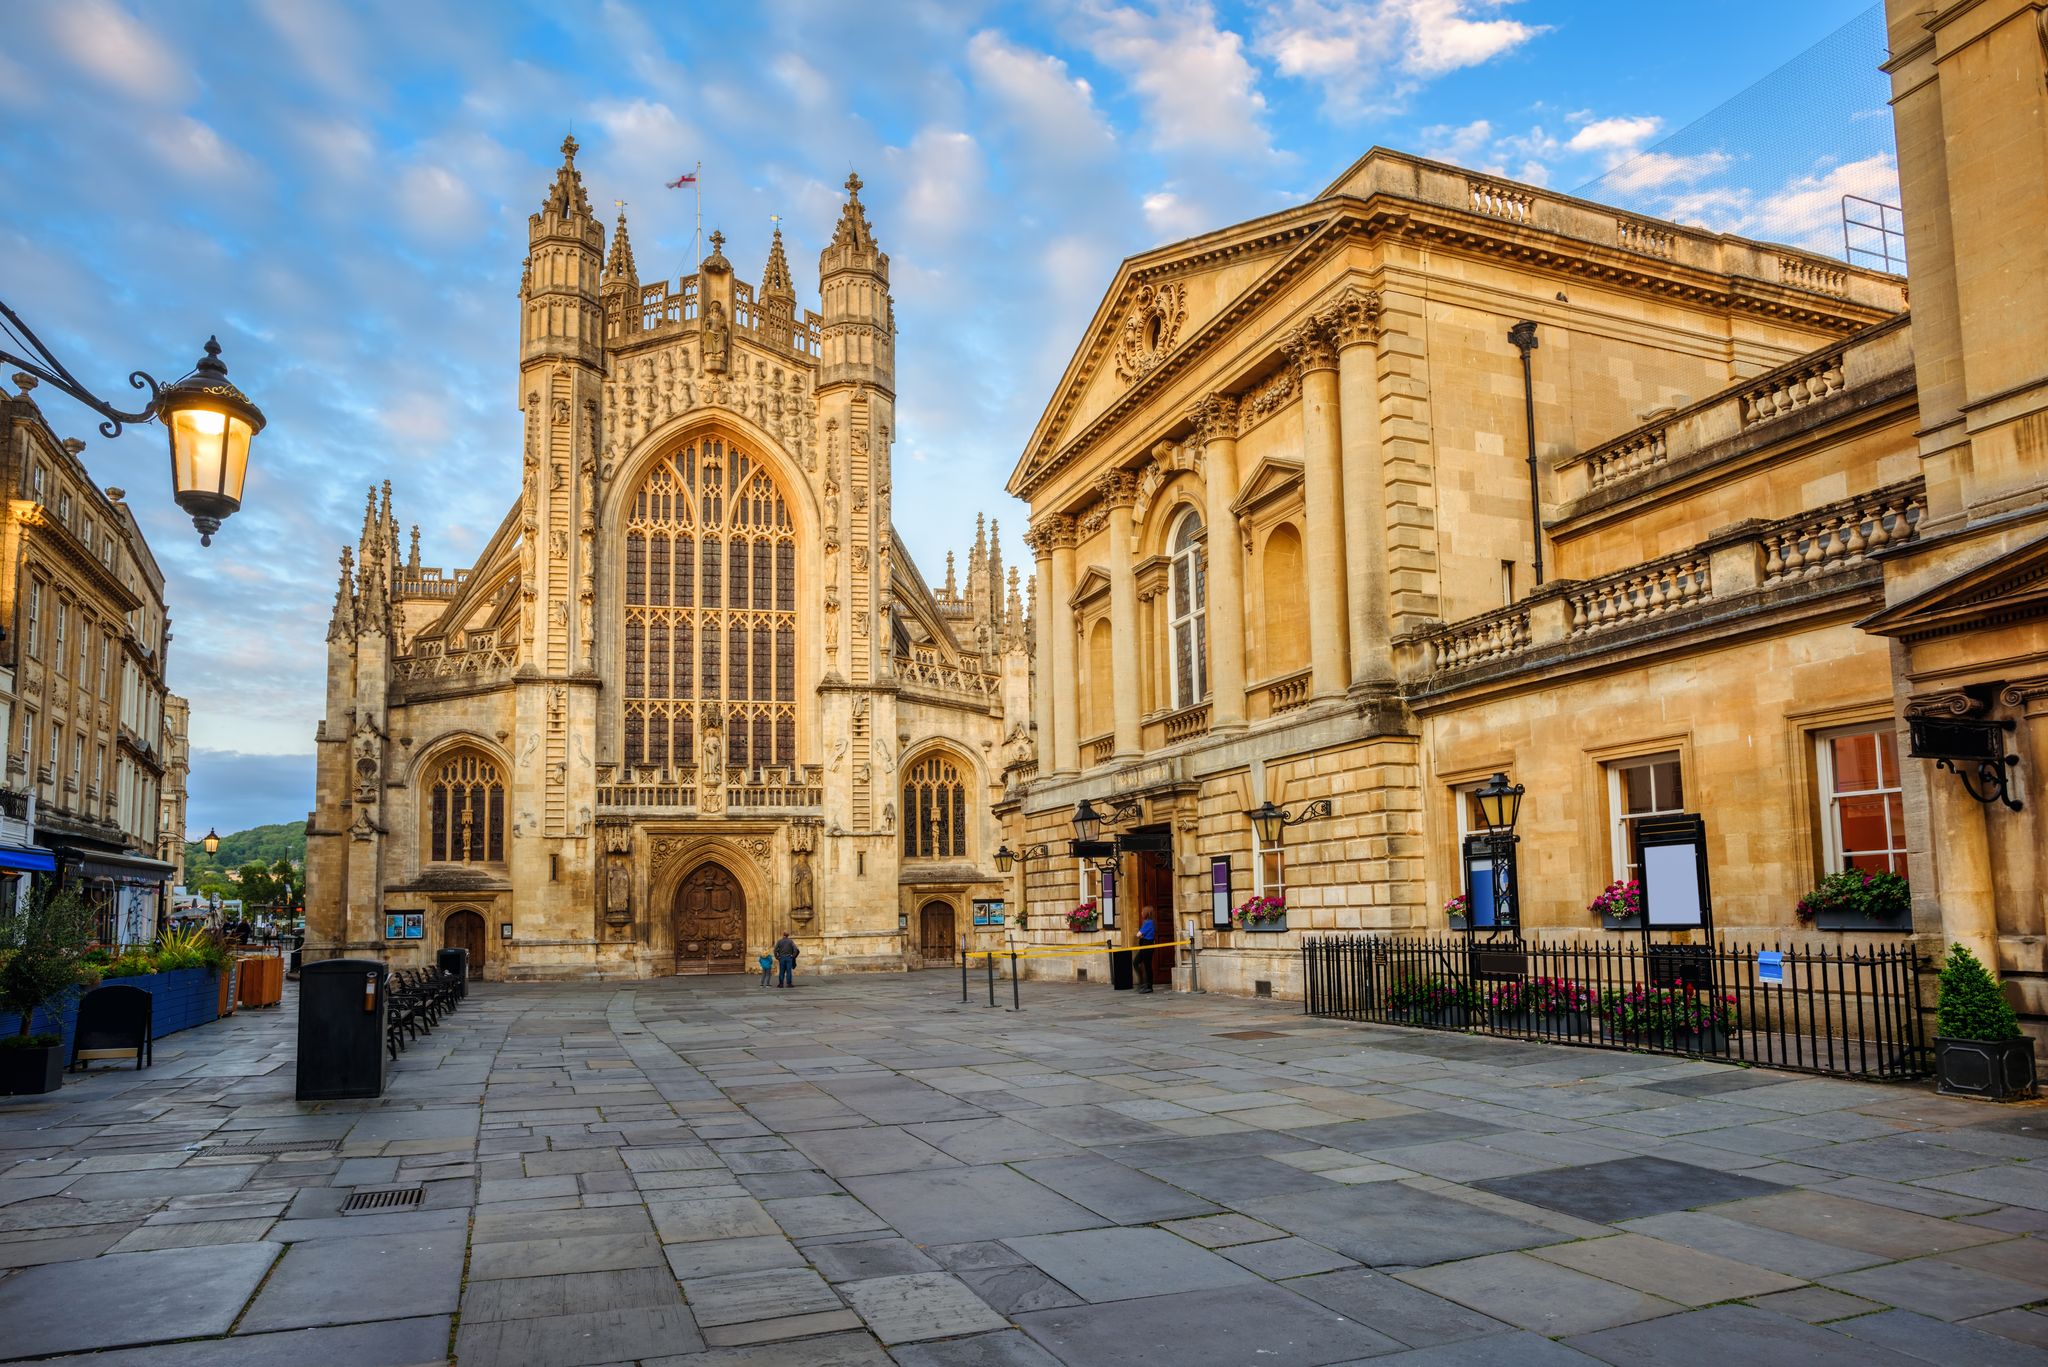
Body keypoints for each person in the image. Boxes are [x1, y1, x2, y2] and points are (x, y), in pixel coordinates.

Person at [1135, 910, 1158, 994]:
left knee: (1146, 965)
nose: (1141, 913)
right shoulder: (1148, 922)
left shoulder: (1148, 922)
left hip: (1147, 945)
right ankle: (1145, 983)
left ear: (1146, 913)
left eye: (1142, 912)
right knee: (1138, 962)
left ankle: (1148, 985)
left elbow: (1138, 935)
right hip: (1145, 944)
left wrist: (1141, 935)